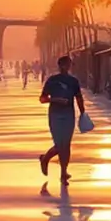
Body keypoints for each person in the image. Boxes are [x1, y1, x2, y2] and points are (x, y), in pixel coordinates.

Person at [39, 56, 85, 184]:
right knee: (60, 145)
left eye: (69, 65)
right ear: (60, 66)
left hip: (69, 114)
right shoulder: (52, 80)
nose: (68, 67)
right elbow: (42, 98)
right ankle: (46, 158)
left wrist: (83, 113)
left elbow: (78, 97)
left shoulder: (73, 81)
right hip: (55, 114)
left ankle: (63, 172)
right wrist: (55, 100)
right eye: (66, 65)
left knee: (67, 144)